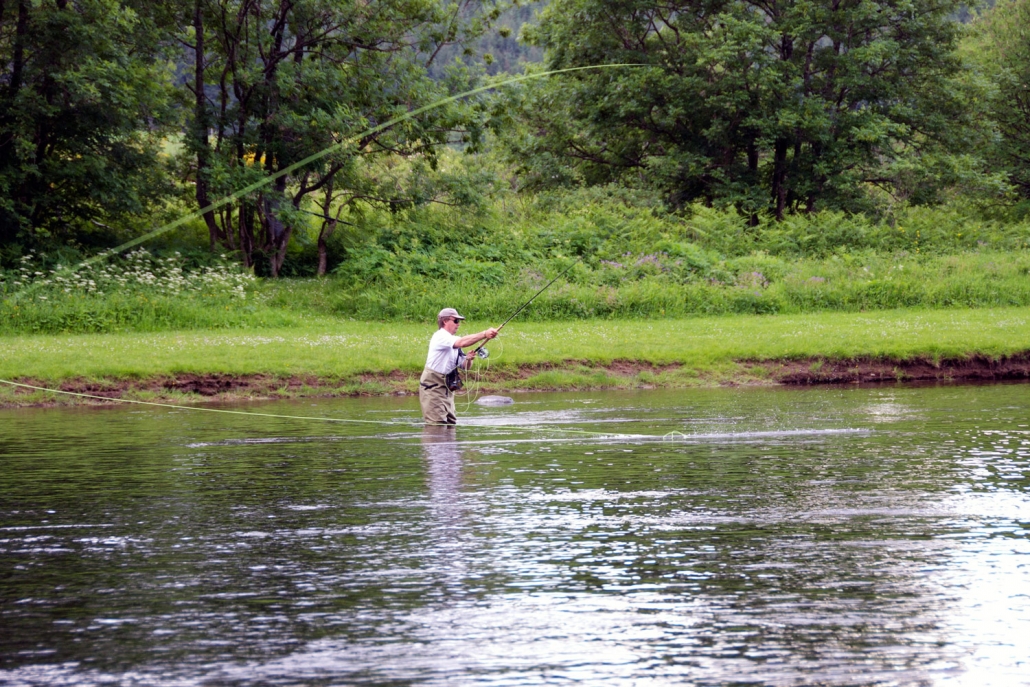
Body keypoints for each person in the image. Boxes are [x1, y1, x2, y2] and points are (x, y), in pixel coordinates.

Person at [419, 307, 498, 424]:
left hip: (447, 388)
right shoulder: (440, 336)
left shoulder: (452, 340)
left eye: (459, 321)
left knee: (451, 423)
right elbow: (462, 342)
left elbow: (465, 367)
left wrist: (469, 359)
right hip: (433, 387)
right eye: (456, 321)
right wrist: (484, 334)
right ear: (445, 321)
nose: (458, 324)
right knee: (436, 424)